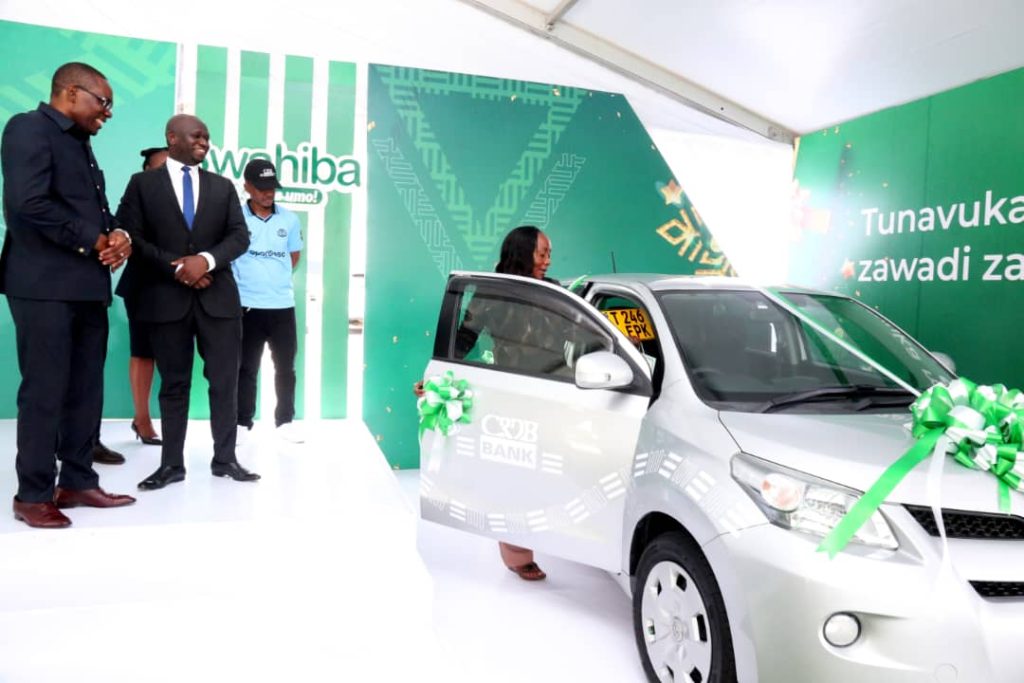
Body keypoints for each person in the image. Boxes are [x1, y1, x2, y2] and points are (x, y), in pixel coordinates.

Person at [1, 62, 136, 528]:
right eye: (104, 102)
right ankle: (32, 495)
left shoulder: (81, 142)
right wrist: (93, 240)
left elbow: (92, 212)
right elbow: (27, 204)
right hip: (42, 287)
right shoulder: (27, 128)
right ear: (72, 92)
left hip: (87, 287)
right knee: (45, 391)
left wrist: (117, 235)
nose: (108, 113)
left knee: (85, 390)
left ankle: (77, 482)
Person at [115, 114, 259, 490]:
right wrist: (178, 267)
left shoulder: (223, 186)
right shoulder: (142, 184)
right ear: (172, 137)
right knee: (174, 385)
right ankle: (171, 465)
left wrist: (205, 261)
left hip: (219, 301)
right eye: (197, 135)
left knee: (224, 382)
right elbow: (131, 235)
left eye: (207, 137)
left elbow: (239, 236)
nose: (204, 142)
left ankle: (225, 460)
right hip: (166, 299)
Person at [422, 225, 553, 580]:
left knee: (547, 475)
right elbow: (463, 338)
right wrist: (437, 378)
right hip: (513, 395)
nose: (547, 261)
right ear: (523, 253)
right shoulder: (493, 293)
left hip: (557, 393)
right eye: (541, 253)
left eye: (549, 254)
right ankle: (517, 554)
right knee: (515, 477)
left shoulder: (553, 290)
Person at [233, 159, 304, 443]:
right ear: (247, 187)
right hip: (247, 305)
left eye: (272, 187)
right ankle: (242, 422)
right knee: (246, 367)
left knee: (285, 367)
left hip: (282, 306)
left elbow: (293, 256)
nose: (268, 192)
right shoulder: (236, 218)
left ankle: (285, 421)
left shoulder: (289, 219)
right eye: (261, 187)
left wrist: (273, 278)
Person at [113, 146, 169, 446]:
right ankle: (142, 418)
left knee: (173, 354)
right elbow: (125, 231)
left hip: (178, 284)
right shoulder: (136, 194)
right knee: (144, 351)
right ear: (145, 172)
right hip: (143, 283)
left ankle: (174, 422)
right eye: (159, 169)